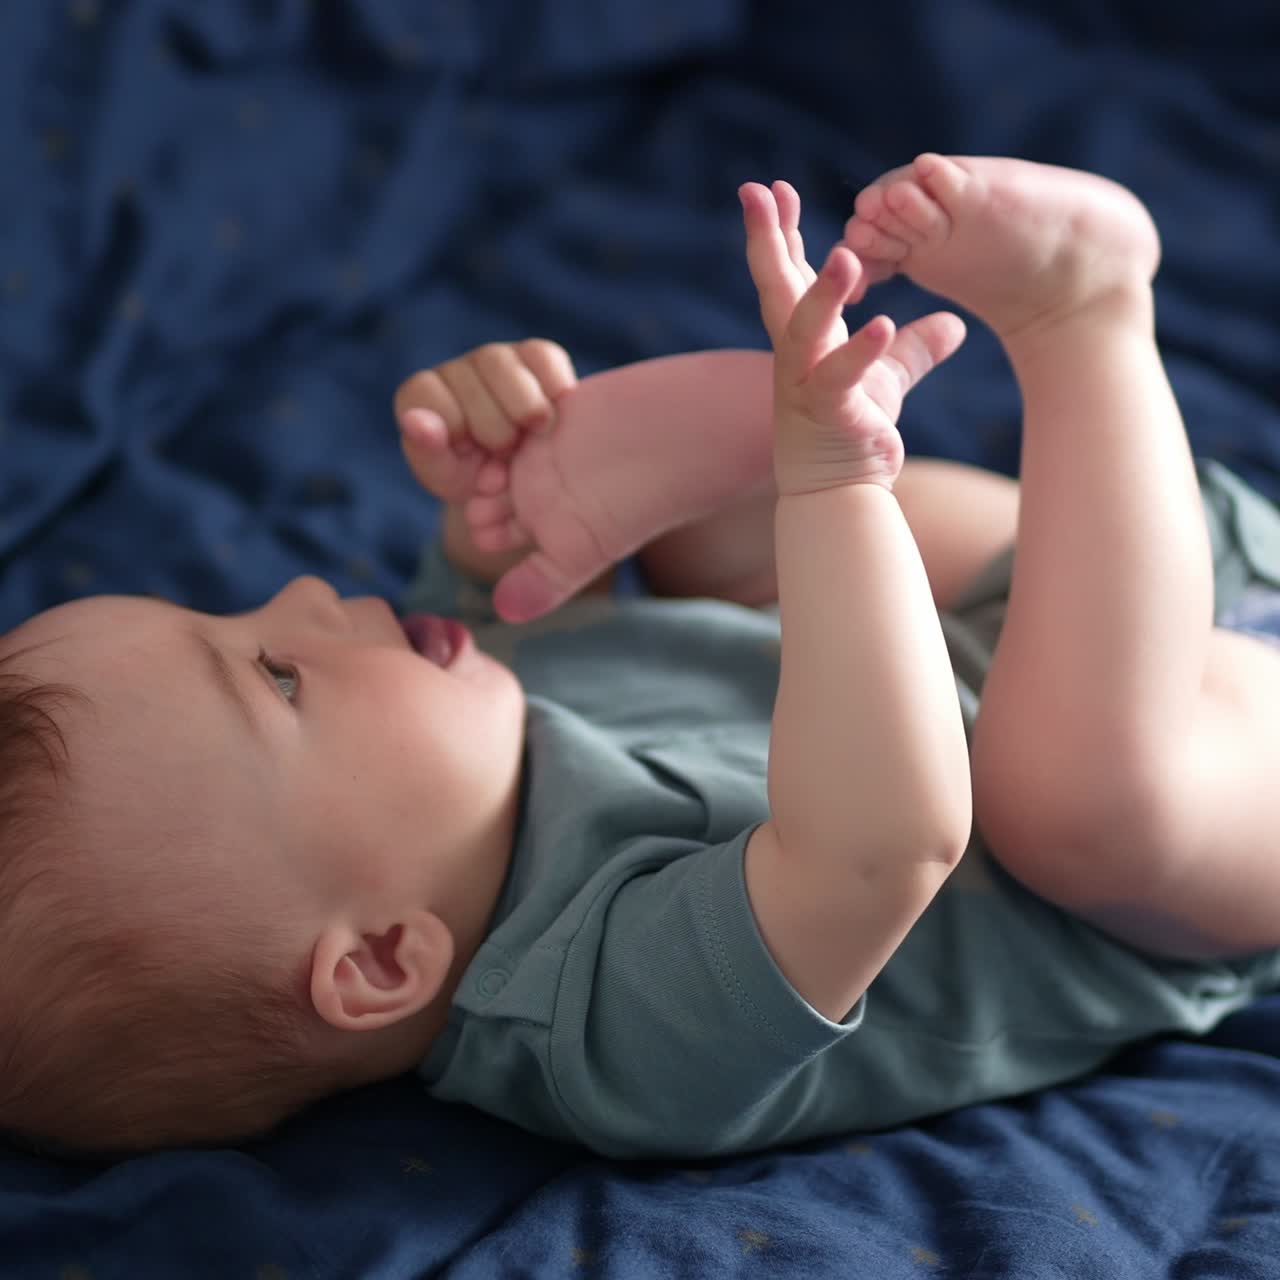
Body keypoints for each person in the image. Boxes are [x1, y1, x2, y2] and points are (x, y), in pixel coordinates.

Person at [3, 154, 1280, 1162]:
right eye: (274, 675)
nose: (295, 592)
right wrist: (830, 481)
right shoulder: (609, 1032)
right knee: (1065, 803)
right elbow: (885, 838)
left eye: (229, 615)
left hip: (1101, 599)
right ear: (383, 960)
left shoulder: (457, 732)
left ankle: (844, 414)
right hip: (1190, 842)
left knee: (670, 545)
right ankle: (1084, 319)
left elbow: (545, 581)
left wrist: (527, 482)